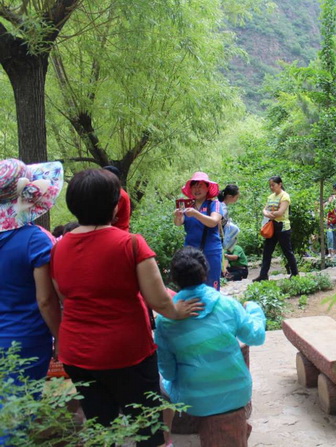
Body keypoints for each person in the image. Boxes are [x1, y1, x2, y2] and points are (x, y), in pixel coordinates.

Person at [50, 168, 203, 447]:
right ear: (114, 203)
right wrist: (177, 312)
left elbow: (63, 296)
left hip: (76, 354)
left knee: (100, 425)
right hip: (126, 354)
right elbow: (158, 300)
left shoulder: (58, 248)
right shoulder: (131, 244)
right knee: (147, 427)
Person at [156, 247, 265, 447]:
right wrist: (254, 309)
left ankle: (166, 439)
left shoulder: (165, 321)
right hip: (237, 392)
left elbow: (169, 372)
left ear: (174, 278)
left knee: (162, 379)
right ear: (205, 271)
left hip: (193, 400)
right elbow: (256, 337)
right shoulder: (227, 304)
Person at [0, 158, 63, 384]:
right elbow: (46, 300)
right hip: (25, 340)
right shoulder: (36, 241)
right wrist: (61, 338)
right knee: (20, 413)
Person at [174, 172, 223, 290]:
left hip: (211, 251)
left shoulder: (214, 204)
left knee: (211, 284)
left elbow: (213, 221)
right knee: (191, 285)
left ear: (207, 188)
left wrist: (196, 214)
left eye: (200, 185)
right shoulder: (187, 205)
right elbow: (178, 223)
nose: (197, 189)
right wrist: (178, 216)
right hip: (190, 252)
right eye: (194, 186)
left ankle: (212, 308)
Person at [253, 176, 299, 281]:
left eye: (273, 185)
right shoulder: (270, 197)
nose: (271, 187)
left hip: (282, 226)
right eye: (270, 185)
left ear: (280, 184)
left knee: (287, 251)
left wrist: (270, 213)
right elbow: (264, 210)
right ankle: (263, 275)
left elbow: (280, 212)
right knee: (267, 251)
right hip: (271, 226)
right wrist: (269, 214)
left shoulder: (285, 196)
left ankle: (295, 273)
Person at [103, 165, 131, 232]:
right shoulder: (110, 192)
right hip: (110, 231)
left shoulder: (119, 195)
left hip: (118, 232)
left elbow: (105, 218)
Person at [217, 184, 241, 251]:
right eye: (236, 197)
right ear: (230, 197)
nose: (237, 199)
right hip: (217, 236)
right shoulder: (223, 207)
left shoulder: (218, 203)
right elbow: (218, 221)